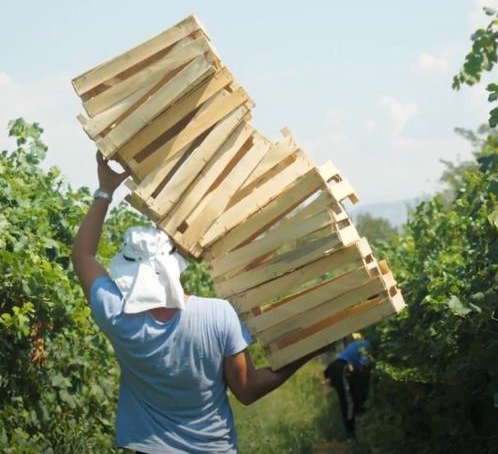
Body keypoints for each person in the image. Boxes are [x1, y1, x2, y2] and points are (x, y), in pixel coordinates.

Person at [71, 152, 317, 453]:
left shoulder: (117, 315)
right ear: (175, 265)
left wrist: (105, 190)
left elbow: (82, 255)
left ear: (129, 273)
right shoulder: (217, 315)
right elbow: (248, 390)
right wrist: (308, 349)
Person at [323, 334, 371, 440]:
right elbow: (365, 366)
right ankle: (350, 435)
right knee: (348, 401)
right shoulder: (367, 346)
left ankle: (352, 432)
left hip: (335, 367)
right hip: (341, 368)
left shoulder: (360, 344)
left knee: (349, 399)